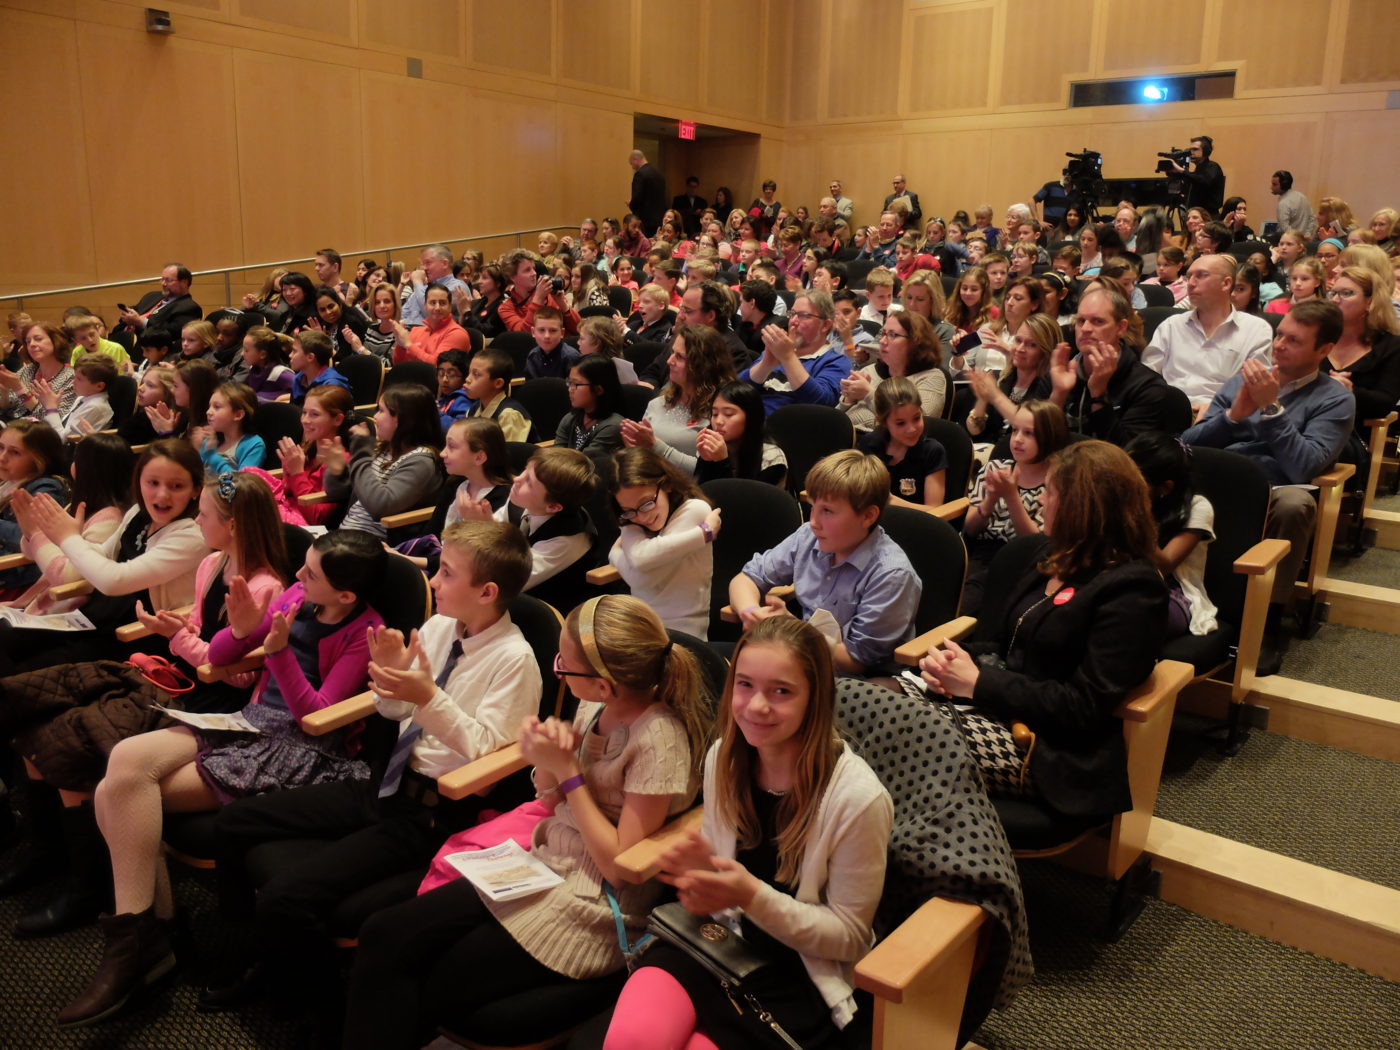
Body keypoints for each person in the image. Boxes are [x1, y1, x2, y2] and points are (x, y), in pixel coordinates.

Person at [202, 520, 541, 1017]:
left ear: (486, 591)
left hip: (430, 812)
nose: (433, 582)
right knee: (231, 824)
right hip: (383, 782)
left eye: (446, 573)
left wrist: (424, 694)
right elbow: (396, 717)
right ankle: (253, 950)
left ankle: (316, 1010)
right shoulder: (442, 626)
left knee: (286, 897)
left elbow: (486, 756)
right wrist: (390, 689)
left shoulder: (515, 660)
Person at [338, 593, 705, 1050]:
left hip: (593, 903)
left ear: (605, 684)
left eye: (564, 665)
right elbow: (552, 803)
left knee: (431, 980)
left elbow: (619, 867)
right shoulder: (596, 706)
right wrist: (548, 763)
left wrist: (568, 772)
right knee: (385, 934)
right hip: (543, 863)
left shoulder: (660, 741)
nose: (560, 670)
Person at [604, 614, 893, 1050]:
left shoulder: (858, 799)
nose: (756, 706)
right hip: (717, 942)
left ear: (815, 699)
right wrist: (705, 879)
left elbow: (850, 939)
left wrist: (748, 895)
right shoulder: (725, 757)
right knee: (631, 1041)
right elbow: (724, 884)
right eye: (745, 685)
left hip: (799, 971)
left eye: (781, 691)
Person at [919, 440, 1168, 818]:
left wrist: (976, 682)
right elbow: (1007, 645)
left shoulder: (1133, 589)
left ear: (1081, 507)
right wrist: (958, 660)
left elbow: (1083, 707)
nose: (1039, 502)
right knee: (858, 700)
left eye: (1049, 492)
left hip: (1049, 747)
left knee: (901, 735)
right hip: (997, 707)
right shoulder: (1052, 554)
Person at [1183, 300, 1355, 674]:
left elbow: (1303, 467)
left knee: (1296, 504)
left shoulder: (1336, 399)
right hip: (1223, 477)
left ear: (1323, 351)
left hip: (1276, 488)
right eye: (1279, 335)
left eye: (1294, 340)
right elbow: (1189, 445)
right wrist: (1232, 417)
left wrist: (1271, 409)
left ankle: (1267, 621)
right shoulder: (1243, 378)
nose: (1279, 345)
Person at [730, 449, 921, 675]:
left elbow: (856, 662)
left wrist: (790, 628)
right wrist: (751, 613)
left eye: (828, 511)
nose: (813, 522)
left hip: (862, 684)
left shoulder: (891, 574)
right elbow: (746, 579)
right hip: (802, 659)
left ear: (868, 516)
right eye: (813, 507)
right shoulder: (808, 537)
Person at [961, 400, 1069, 614]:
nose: (1017, 440)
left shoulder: (1054, 483)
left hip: (1023, 563)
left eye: (1029, 434)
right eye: (1014, 430)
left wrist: (1011, 497)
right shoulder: (996, 467)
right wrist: (990, 498)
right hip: (982, 553)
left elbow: (1037, 545)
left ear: (1049, 437)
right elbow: (970, 529)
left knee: (971, 598)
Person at [1049, 285, 1185, 445]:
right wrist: (1058, 395)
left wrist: (1099, 395)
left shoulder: (1147, 386)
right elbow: (1033, 442)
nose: (1085, 329)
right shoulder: (1060, 370)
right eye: (1080, 321)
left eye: (1097, 321)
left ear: (1121, 328)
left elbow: (1128, 454)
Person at [606, 447, 719, 638]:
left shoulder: (695, 510)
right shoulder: (630, 520)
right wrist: (703, 534)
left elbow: (641, 577)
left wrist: (615, 553)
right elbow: (641, 567)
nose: (643, 517)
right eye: (629, 509)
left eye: (647, 503)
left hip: (686, 633)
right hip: (642, 626)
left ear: (666, 484)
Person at [1142, 253, 1275, 414]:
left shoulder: (1256, 329)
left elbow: (1254, 388)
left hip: (1222, 415)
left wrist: (1217, 409)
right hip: (1168, 411)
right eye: (1189, 276)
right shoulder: (1171, 325)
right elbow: (1148, 376)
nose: (1190, 283)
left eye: (1201, 276)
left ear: (1226, 283)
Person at [1125, 432, 1218, 639]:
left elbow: (1163, 566)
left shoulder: (1198, 507)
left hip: (1172, 593)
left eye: (1134, 480)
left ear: (1165, 488)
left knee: (1124, 614)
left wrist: (1136, 516)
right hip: (1119, 582)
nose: (1125, 486)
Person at [324, 385, 443, 539]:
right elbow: (338, 493)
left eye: (381, 411)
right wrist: (337, 472)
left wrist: (360, 454)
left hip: (376, 543)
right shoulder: (384, 448)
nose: (375, 417)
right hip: (346, 533)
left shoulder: (421, 461)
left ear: (402, 419)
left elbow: (380, 506)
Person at [496, 446, 598, 612]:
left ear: (553, 507)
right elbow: (496, 525)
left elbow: (511, 580)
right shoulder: (523, 498)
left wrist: (484, 525)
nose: (517, 480)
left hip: (549, 611)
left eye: (529, 482)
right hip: (511, 597)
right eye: (524, 471)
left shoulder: (568, 538)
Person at [624, 324, 735, 474]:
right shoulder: (658, 403)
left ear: (702, 365)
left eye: (679, 357)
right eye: (672, 353)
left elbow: (705, 472)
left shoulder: (718, 414)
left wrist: (654, 445)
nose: (669, 361)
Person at [740, 290, 853, 413]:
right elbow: (736, 393)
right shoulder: (778, 350)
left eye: (803, 315)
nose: (793, 321)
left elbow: (822, 403)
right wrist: (767, 363)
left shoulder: (837, 362)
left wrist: (788, 358)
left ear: (825, 325)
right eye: (792, 314)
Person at [1317, 266, 1400, 432]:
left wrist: (1349, 391)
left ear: (1370, 301)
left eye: (1346, 293)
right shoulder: (1318, 337)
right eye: (1333, 293)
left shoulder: (1392, 346)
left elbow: (1384, 404)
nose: (1335, 300)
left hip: (1352, 434)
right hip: (1301, 422)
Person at [839, 310, 947, 432]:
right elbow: (835, 420)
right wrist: (849, 399)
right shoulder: (869, 371)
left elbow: (913, 424)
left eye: (893, 335)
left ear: (915, 342)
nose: (882, 341)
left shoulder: (932, 378)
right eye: (884, 334)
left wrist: (868, 394)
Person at [264, 384, 356, 527]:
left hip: (304, 527)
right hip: (286, 510)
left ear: (337, 419)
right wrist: (288, 470)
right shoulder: (308, 449)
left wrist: (297, 472)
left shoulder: (340, 461)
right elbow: (288, 492)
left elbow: (317, 518)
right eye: (304, 412)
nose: (305, 420)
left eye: (314, 414)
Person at [965, 313, 1057, 446]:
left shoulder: (1048, 384)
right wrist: (982, 400)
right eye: (1018, 340)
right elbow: (974, 431)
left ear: (1045, 351)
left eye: (1031, 345)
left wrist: (995, 395)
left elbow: (1029, 427)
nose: (1020, 349)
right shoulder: (1005, 377)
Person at [858, 376, 948, 508]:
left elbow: (935, 510)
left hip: (916, 526)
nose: (911, 429)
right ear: (884, 422)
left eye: (917, 418)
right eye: (900, 423)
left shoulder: (932, 451)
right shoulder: (869, 444)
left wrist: (890, 501)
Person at [0, 421, 68, 595]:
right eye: (1, 448)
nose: (2, 457)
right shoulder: (11, 477)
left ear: (39, 459)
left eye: (14, 452)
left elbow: (32, 538)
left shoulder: (47, 488)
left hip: (16, 575)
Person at [693, 380, 788, 487]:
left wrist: (721, 462)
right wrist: (706, 461)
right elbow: (700, 494)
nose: (718, 421)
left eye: (728, 414)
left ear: (751, 417)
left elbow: (741, 501)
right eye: (715, 414)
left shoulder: (771, 458)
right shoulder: (711, 446)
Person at [556, 355, 625, 471]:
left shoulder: (613, 426)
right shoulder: (571, 418)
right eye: (569, 382)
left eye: (576, 384)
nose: (570, 389)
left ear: (598, 389)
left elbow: (584, 466)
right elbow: (555, 455)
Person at [112, 264, 203, 351]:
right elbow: (133, 313)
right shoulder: (152, 296)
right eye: (162, 279)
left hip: (151, 350)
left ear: (184, 282)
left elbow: (171, 333)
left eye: (168, 280)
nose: (163, 283)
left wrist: (140, 321)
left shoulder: (189, 308)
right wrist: (127, 316)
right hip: (123, 341)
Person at [0, 321, 78, 423]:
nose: (31, 344)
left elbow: (56, 422)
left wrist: (20, 389)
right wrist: (4, 393)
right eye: (28, 341)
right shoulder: (27, 371)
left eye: (38, 339)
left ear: (55, 341)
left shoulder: (71, 378)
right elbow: (7, 410)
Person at [465, 348, 534, 443]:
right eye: (469, 373)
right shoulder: (474, 409)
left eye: (476, 374)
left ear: (498, 383)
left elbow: (511, 454)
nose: (468, 379)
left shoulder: (509, 415)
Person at [195, 382, 265, 474]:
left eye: (216, 407)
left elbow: (243, 484)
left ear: (238, 415)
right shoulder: (210, 442)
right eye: (209, 406)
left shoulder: (253, 445)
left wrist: (212, 456)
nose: (208, 412)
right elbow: (195, 476)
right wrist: (195, 451)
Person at [396, 284, 472, 365]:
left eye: (442, 303)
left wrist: (409, 345)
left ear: (450, 307)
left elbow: (437, 365)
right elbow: (398, 363)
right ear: (425, 305)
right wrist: (400, 344)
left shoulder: (457, 334)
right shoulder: (416, 331)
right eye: (432, 303)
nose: (437, 308)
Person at [400, 245, 470, 329]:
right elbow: (402, 312)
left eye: (428, 263)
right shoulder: (424, 288)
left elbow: (432, 314)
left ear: (444, 263)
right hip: (407, 330)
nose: (424, 268)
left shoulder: (458, 287)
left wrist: (417, 282)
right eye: (423, 264)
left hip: (433, 335)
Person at [1165, 135, 1225, 216]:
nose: (1191, 152)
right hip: (1195, 213)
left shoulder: (1212, 166)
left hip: (1209, 216)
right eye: (1190, 149)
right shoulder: (1195, 172)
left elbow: (1203, 181)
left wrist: (1182, 171)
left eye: (1195, 149)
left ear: (1206, 151)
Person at [288, 330, 351, 404]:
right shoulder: (298, 379)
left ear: (310, 357)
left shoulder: (332, 386)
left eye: (294, 351)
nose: (290, 355)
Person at [240, 326, 296, 402]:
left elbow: (303, 393)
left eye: (246, 350)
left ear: (262, 354)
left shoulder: (280, 373)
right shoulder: (253, 369)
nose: (242, 354)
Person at [525, 307, 582, 380]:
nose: (546, 336)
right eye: (541, 330)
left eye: (553, 330)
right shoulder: (533, 356)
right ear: (533, 332)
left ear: (562, 333)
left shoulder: (571, 357)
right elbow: (531, 387)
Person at [627, 150, 667, 235]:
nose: (632, 167)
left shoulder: (640, 174)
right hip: (659, 219)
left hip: (645, 220)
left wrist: (631, 204)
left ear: (635, 159)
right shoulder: (659, 174)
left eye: (632, 163)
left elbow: (637, 198)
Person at [434, 349, 473, 431]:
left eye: (451, 375)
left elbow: (459, 427)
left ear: (465, 377)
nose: (444, 379)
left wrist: (435, 412)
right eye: (441, 374)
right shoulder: (444, 399)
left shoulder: (463, 399)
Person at [1271, 171, 1314, 239]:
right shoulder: (1302, 197)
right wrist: (1307, 235)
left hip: (1290, 241)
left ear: (1284, 185)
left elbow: (1284, 228)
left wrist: (1295, 239)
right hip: (1303, 240)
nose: (1271, 187)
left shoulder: (1284, 203)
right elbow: (1311, 218)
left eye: (1274, 184)